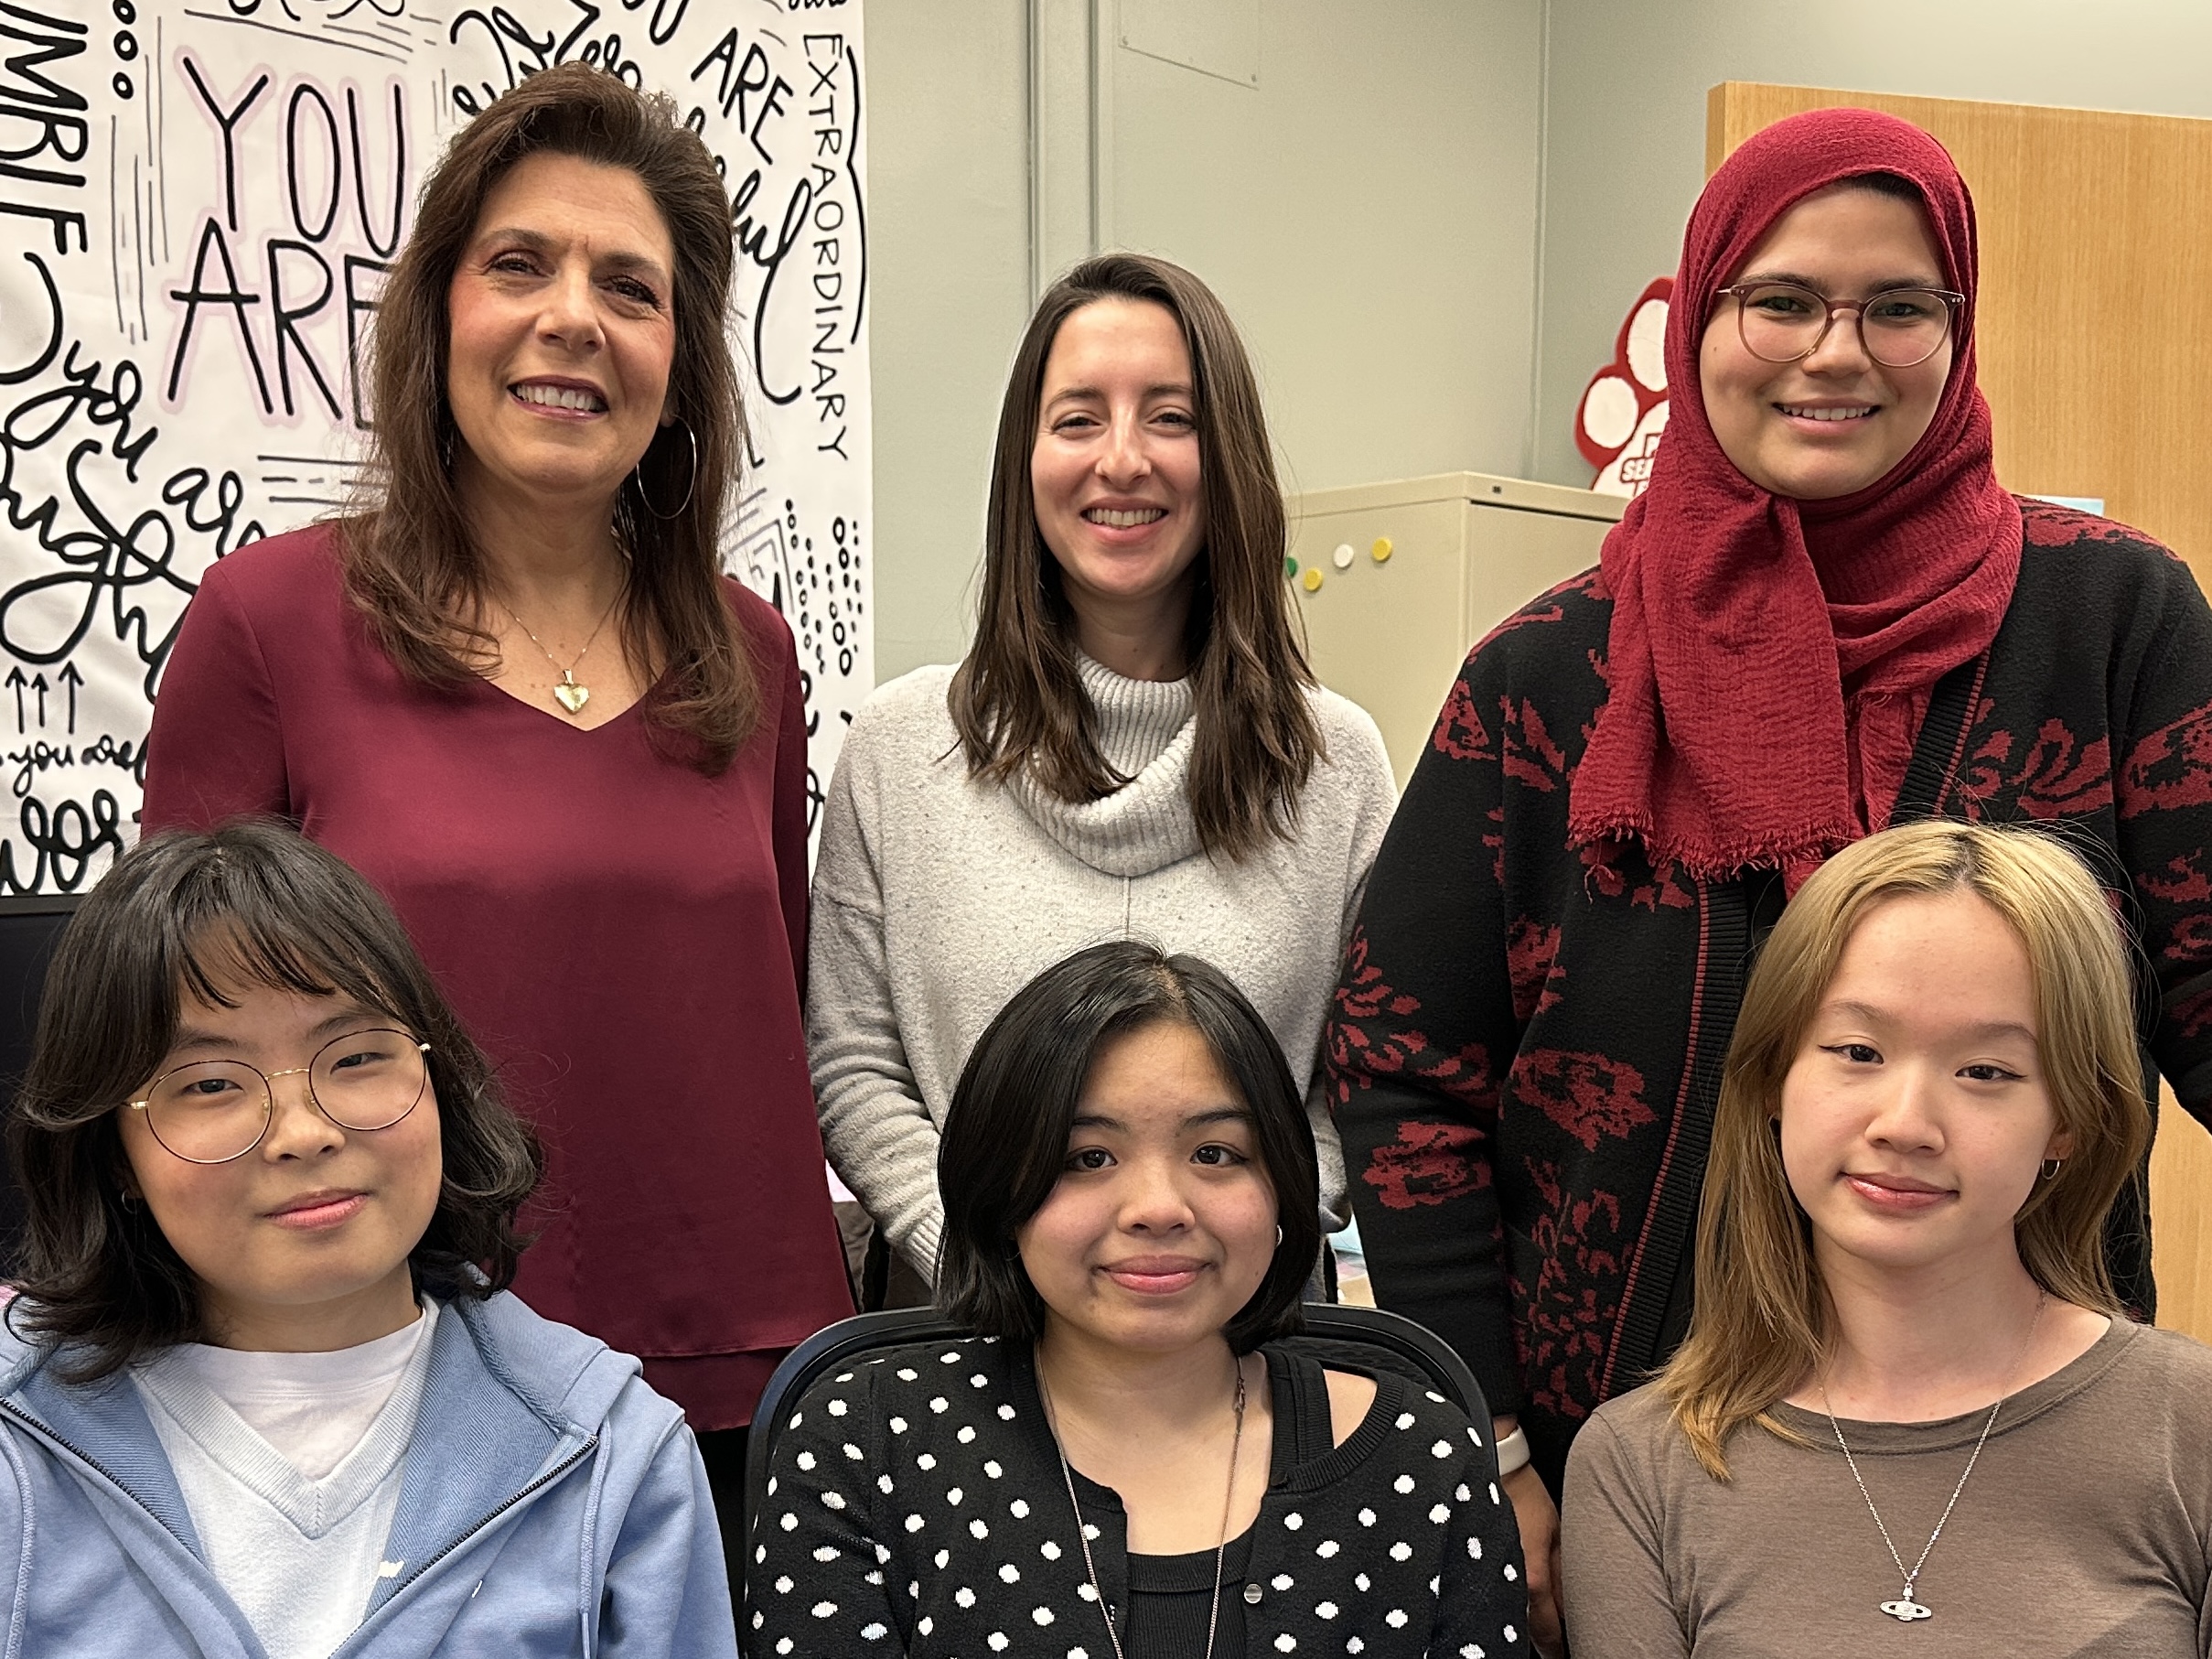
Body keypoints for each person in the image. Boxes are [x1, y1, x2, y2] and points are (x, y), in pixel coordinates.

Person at [1324, 103, 2212, 1655]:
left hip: (2022, 1438)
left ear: (1959, 329)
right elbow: (1401, 1068)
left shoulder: (2108, 616)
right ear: (1702, 316)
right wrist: (1495, 1443)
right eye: (1782, 299)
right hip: (1635, 1461)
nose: (1833, 352)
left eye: (1895, 307)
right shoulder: (1544, 672)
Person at [137, 62, 853, 1548]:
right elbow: (178, 1061)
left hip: (737, 1388)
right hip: (389, 1387)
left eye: (630, 286)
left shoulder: (754, 654)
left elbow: (765, 1004)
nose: (570, 317)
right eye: (518, 263)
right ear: (439, 314)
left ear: (682, 361)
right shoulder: (267, 621)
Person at [0, 820, 736, 1657]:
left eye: (354, 1057)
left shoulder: (613, 1455)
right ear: (114, 1151)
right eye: (209, 1082)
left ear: (437, 1081)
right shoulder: (17, 1444)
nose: (303, 1132)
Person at [809, 253, 1398, 1300]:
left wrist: (1224, 1263)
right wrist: (991, 1269)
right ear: (1024, 461)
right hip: (966, 1344)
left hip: (1244, 1349)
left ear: (1228, 461)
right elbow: (855, 1064)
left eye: (1169, 418)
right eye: (1078, 418)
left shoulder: (1334, 765)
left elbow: (1362, 1086)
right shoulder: (901, 750)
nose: (1122, 459)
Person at [754, 941, 1528, 1657]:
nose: (1158, 1206)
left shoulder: (1422, 1454)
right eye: (1088, 1156)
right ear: (1000, 1189)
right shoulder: (863, 1438)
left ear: (1283, 1181)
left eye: (1215, 1152)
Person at [1560, 820, 2212, 1655]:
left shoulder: (2190, 1428)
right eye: (1858, 1049)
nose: (1906, 1124)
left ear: (2069, 1121)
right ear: (1773, 1078)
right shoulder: (1638, 1467)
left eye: (1986, 1071)